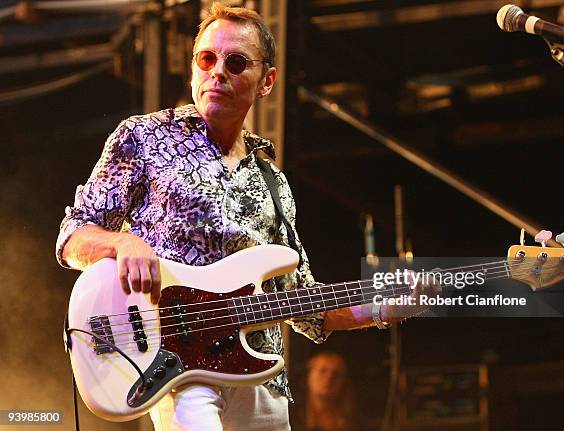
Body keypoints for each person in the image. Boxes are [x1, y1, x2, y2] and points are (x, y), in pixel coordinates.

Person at [57, 3, 423, 430]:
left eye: (235, 62)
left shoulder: (274, 182)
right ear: (193, 69)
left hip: (259, 372)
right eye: (206, 59)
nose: (217, 72)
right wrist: (121, 243)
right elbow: (72, 234)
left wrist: (380, 309)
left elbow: (303, 303)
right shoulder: (143, 137)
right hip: (178, 368)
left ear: (266, 80)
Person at [306, 352, 357, 431]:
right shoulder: (290, 415)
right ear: (309, 375)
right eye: (322, 371)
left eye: (336, 374)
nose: (329, 378)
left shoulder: (353, 420)